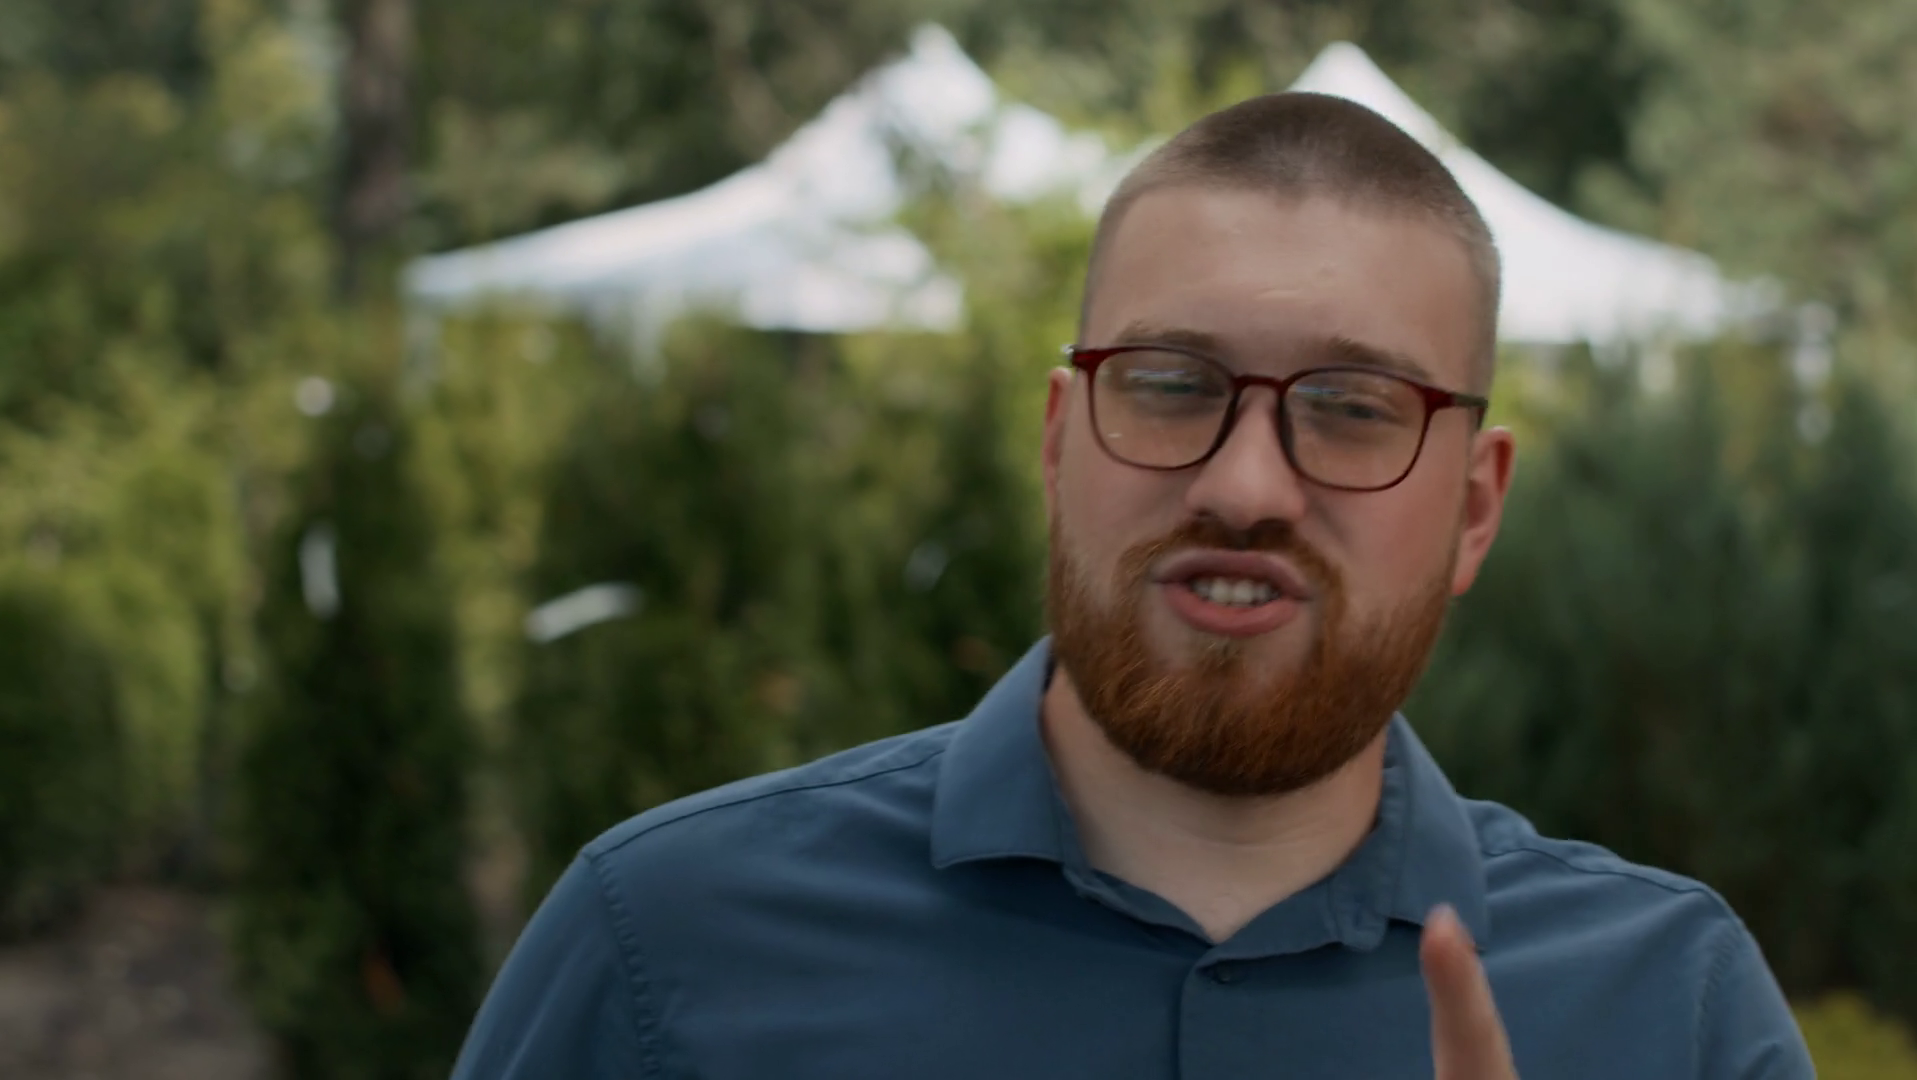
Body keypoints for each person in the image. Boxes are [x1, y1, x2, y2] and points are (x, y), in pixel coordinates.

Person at [450, 92, 1814, 1079]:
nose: (1248, 485)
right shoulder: (668, 949)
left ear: (1474, 509)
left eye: (1353, 408)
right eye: (1171, 385)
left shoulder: (1670, 1011)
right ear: (1059, 445)